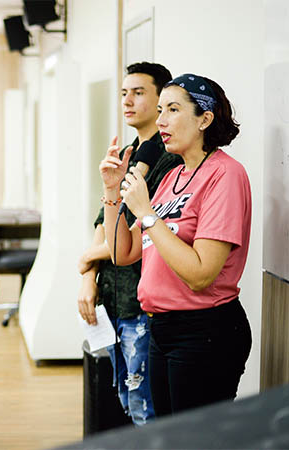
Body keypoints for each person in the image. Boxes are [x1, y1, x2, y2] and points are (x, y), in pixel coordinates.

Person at [101, 73, 251, 416]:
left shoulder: (225, 175)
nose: (161, 120)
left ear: (205, 118)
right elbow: (121, 253)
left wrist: (147, 213)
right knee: (169, 437)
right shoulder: (173, 175)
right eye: (159, 110)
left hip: (205, 332)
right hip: (162, 328)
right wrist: (112, 191)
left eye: (172, 109)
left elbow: (201, 274)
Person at [77, 62, 180, 425]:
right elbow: (102, 219)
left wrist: (90, 255)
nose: (128, 101)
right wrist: (88, 275)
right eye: (124, 93)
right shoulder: (131, 152)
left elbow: (152, 227)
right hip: (114, 295)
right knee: (125, 396)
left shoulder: (170, 157)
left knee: (144, 405)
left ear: (161, 99)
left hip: (144, 298)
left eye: (138, 93)